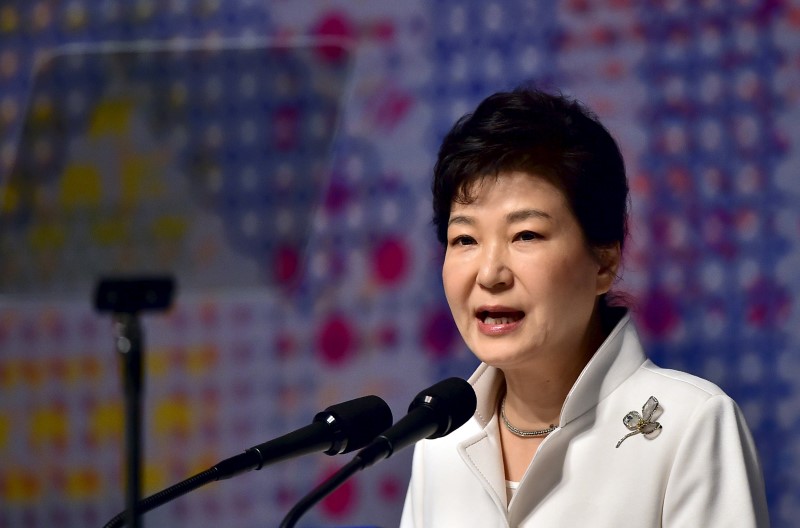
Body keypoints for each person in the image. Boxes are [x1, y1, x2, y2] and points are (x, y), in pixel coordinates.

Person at [399, 86, 769, 527]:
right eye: (465, 239)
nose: (489, 273)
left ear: (604, 262)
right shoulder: (438, 441)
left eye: (526, 235)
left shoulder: (690, 425)